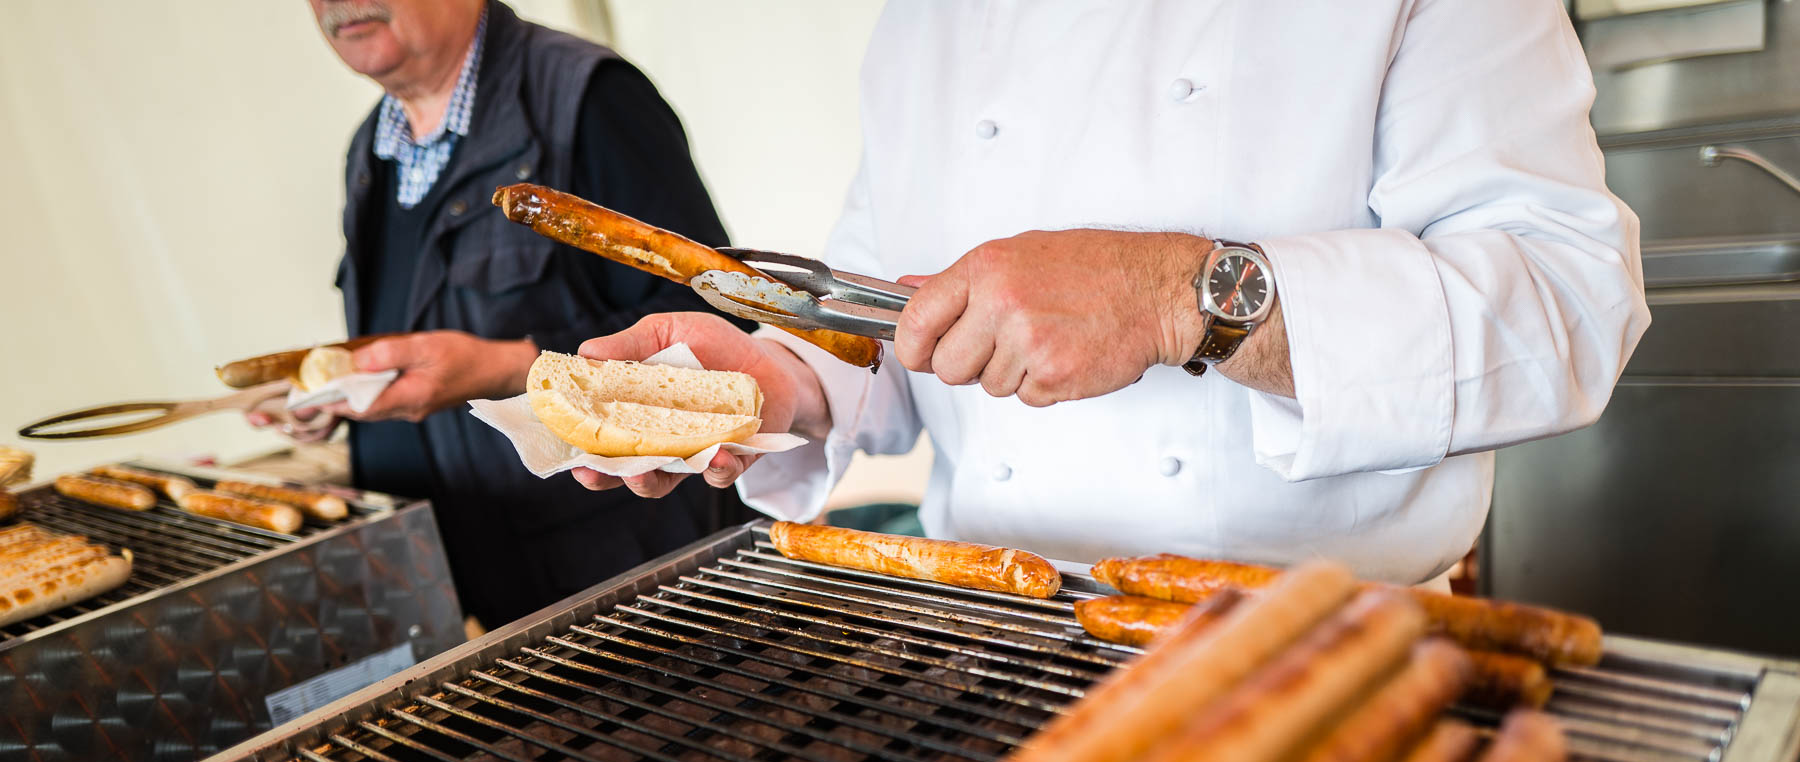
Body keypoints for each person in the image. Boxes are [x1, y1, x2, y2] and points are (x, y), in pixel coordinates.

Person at [572, 0, 1649, 586]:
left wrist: (1179, 296)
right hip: (992, 635)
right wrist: (786, 374)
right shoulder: (922, 21)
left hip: (1312, 652)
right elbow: (898, 308)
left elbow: (1565, 300)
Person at [274, 0, 750, 628]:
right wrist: (342, 400)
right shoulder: (371, 152)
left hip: (642, 582)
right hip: (484, 592)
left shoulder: (590, 98)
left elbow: (718, 325)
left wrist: (506, 368)